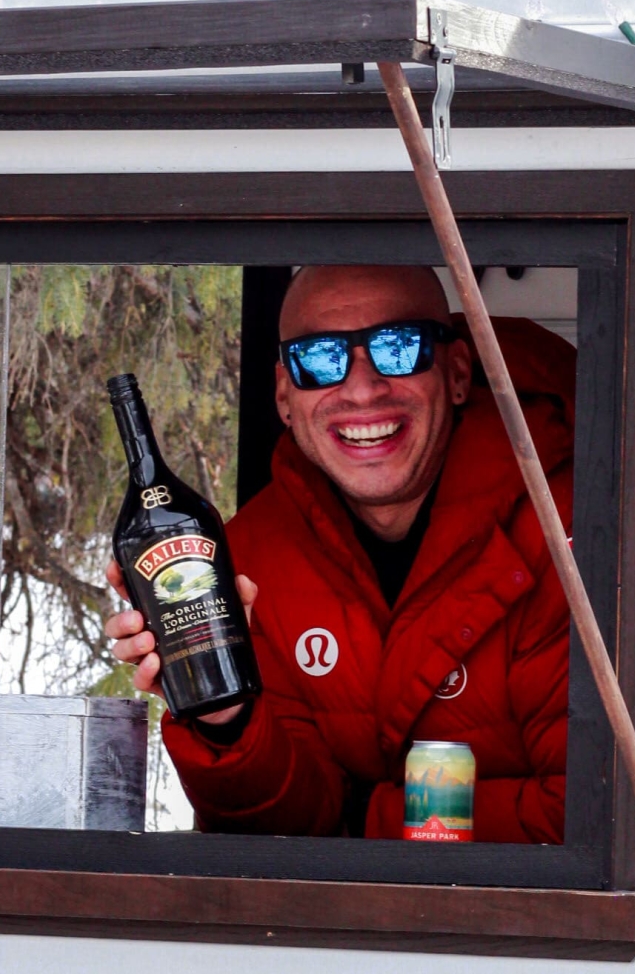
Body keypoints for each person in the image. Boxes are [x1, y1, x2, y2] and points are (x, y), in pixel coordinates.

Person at [103, 262, 576, 841]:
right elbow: (284, 830)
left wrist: (361, 821)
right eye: (320, 359)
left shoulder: (565, 529)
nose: (361, 389)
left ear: (457, 372)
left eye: (398, 349)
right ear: (284, 394)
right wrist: (225, 716)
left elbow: (583, 820)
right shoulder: (248, 560)